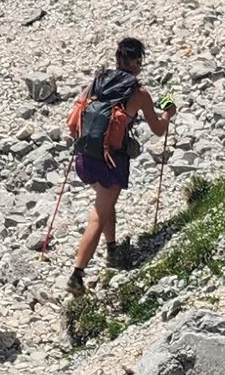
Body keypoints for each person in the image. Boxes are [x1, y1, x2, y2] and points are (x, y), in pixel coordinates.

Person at [66, 37, 172, 294]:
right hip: (111, 161)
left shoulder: (97, 81)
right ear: (136, 61)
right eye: (140, 61)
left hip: (84, 157)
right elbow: (158, 129)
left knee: (105, 200)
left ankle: (112, 248)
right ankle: (77, 275)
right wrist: (169, 113)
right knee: (99, 214)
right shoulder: (139, 93)